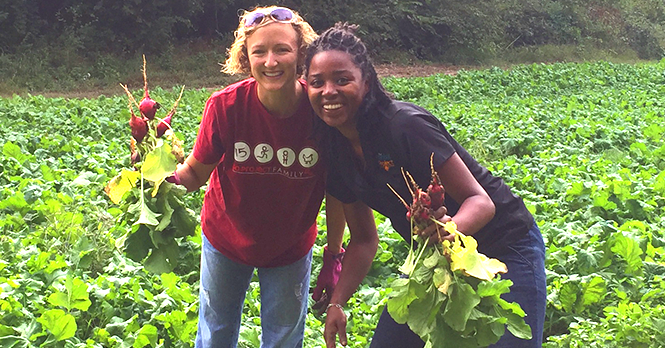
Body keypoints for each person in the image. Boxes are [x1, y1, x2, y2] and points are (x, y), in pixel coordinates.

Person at [303, 23, 547, 348]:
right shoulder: (334, 151)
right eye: (317, 82)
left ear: (366, 83)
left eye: (342, 80)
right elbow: (363, 240)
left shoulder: (404, 126)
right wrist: (337, 303)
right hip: (434, 261)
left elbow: (481, 202)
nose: (328, 91)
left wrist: (450, 231)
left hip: (504, 245)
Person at [169, 6, 344, 347]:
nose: (270, 61)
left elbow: (336, 191)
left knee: (283, 339)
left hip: (290, 247)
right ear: (245, 59)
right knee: (215, 333)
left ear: (301, 55)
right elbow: (194, 172)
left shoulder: (321, 113)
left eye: (282, 49)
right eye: (259, 51)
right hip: (225, 238)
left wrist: (334, 255)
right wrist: (157, 181)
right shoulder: (225, 107)